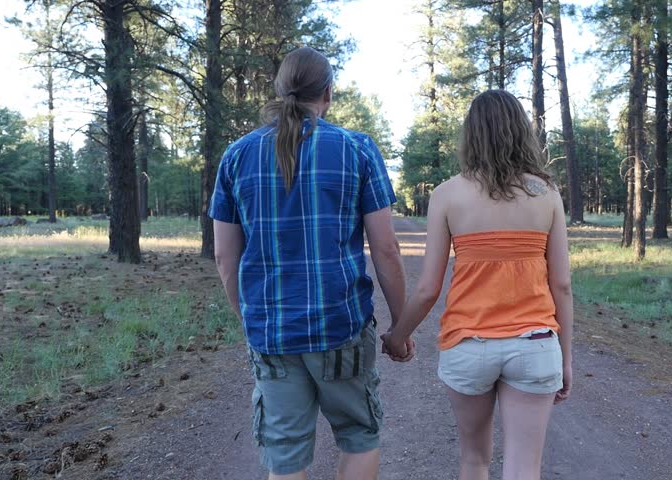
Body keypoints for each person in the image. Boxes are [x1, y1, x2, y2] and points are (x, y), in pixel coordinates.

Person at [209, 46, 412, 480]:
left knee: (285, 453)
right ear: (328, 93)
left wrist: (251, 319)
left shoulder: (236, 156)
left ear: (280, 91)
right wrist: (400, 325)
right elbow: (386, 249)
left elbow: (227, 257)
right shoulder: (357, 149)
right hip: (340, 328)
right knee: (359, 435)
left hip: (273, 334)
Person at [382, 89, 574, 480]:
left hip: (468, 346)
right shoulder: (547, 194)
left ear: (471, 135)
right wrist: (565, 359)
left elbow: (428, 288)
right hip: (535, 344)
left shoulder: (447, 195)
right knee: (524, 467)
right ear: (522, 132)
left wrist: (398, 335)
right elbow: (563, 285)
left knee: (474, 460)